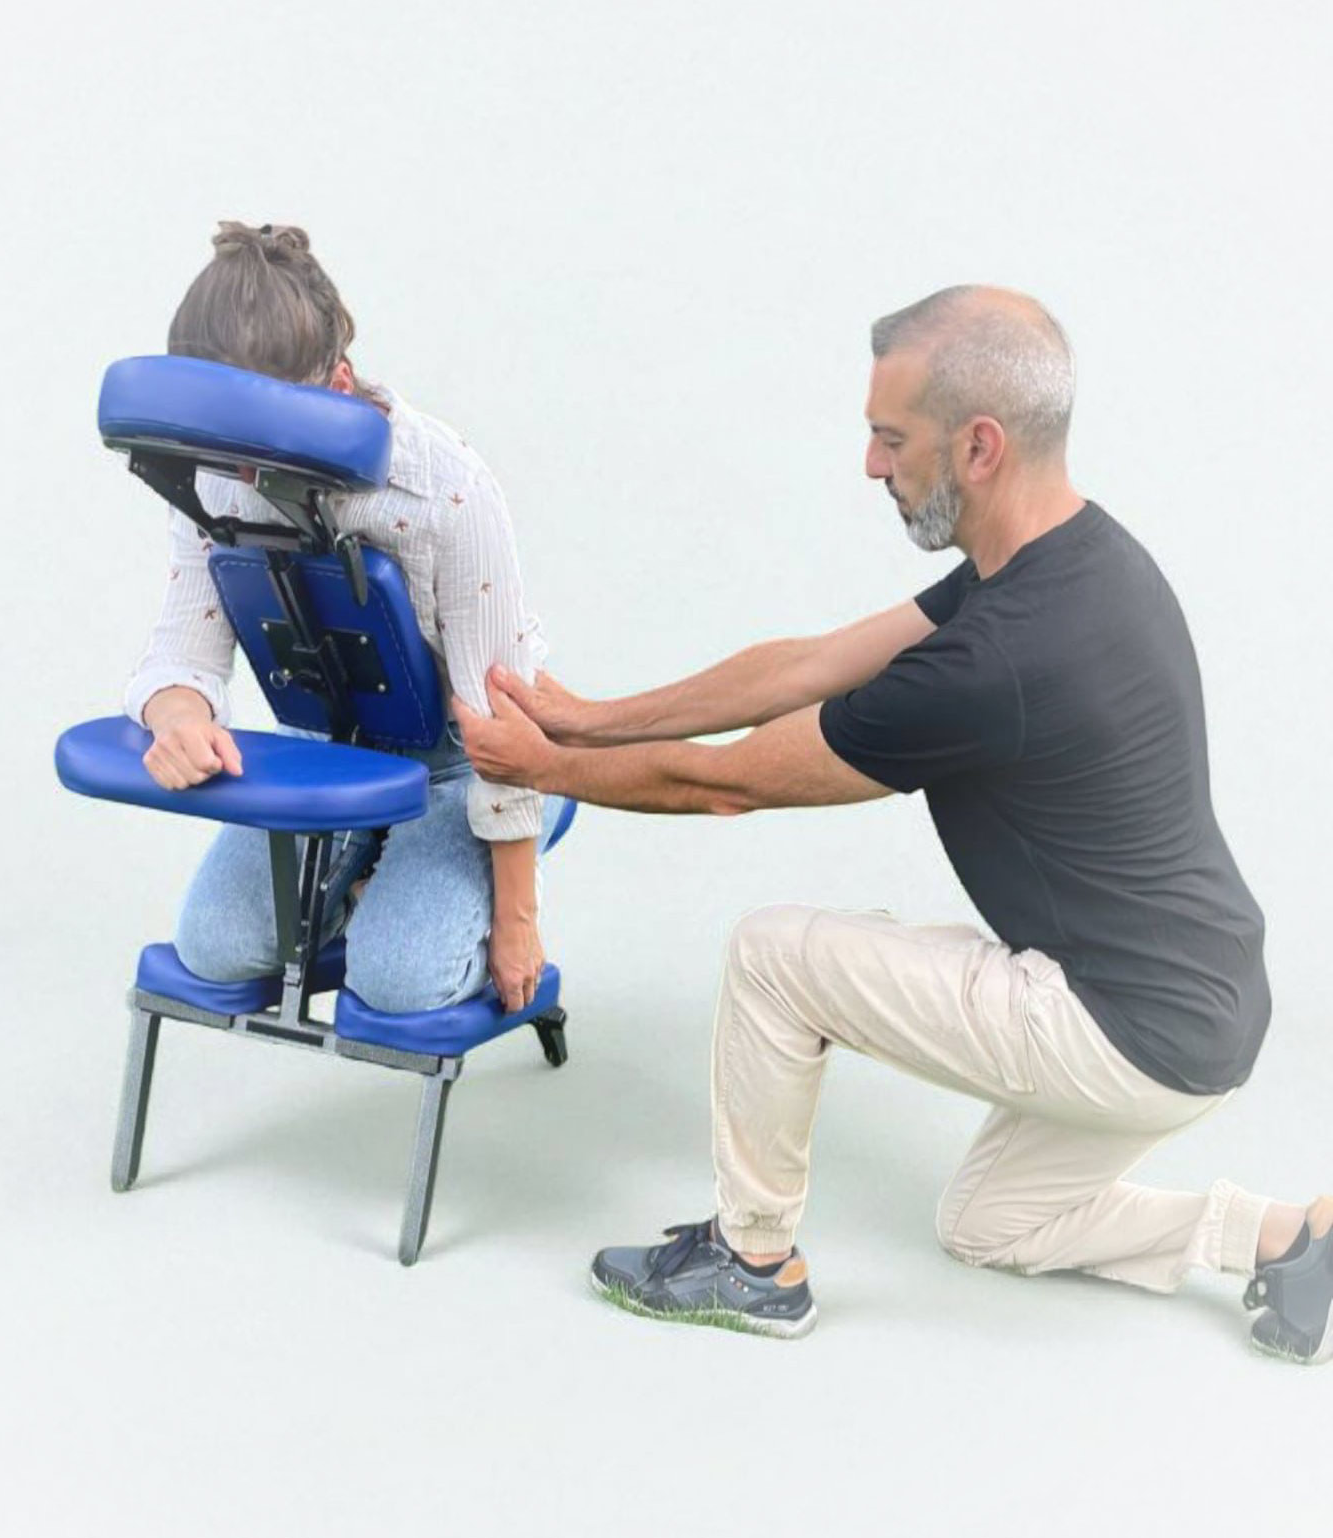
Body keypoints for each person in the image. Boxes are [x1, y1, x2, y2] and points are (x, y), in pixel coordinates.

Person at [454, 285, 1332, 1362]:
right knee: (988, 1223)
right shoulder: (1073, 558)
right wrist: (588, 719)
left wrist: (547, 769)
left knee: (775, 957)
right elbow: (811, 664)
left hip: (1119, 1027)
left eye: (891, 438)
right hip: (1211, 1008)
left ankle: (753, 1259)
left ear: (979, 447)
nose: (872, 464)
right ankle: (1290, 1237)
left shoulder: (996, 662)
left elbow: (726, 784)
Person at [126, 221, 564, 1016]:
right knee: (216, 948)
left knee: (399, 984)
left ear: (338, 385)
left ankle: (402, 924)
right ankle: (372, 895)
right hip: (328, 751)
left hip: (469, 760)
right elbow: (183, 651)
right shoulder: (211, 479)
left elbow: (505, 722)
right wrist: (177, 717)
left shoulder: (447, 491)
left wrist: (517, 921)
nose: (239, 469)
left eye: (258, 440)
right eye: (222, 438)